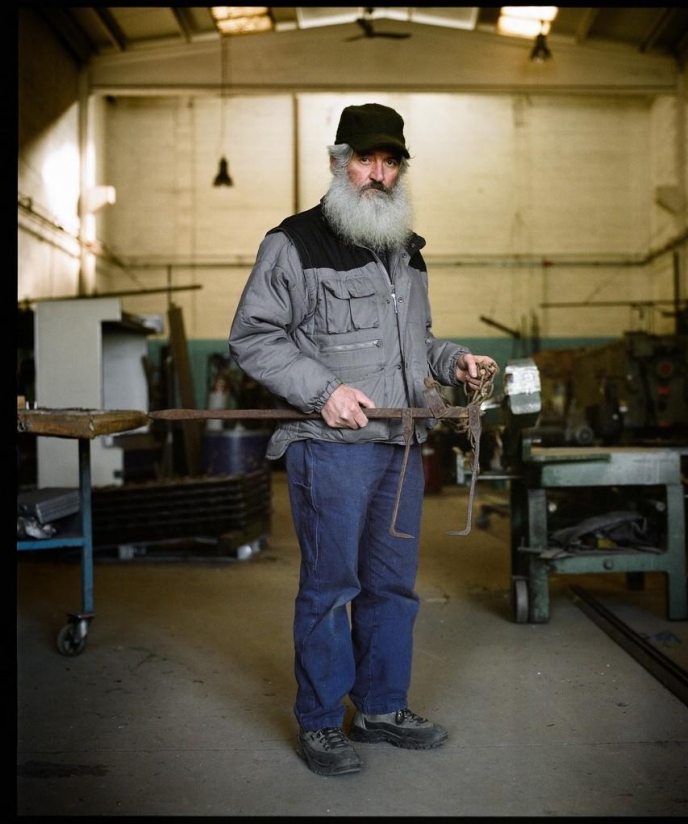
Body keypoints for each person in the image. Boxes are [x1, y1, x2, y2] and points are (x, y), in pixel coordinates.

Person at [228, 102, 498, 777]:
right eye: (365, 159)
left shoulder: (406, 251)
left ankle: (380, 707)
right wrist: (325, 391)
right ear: (339, 163)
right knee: (331, 587)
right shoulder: (293, 243)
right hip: (329, 449)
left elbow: (415, 345)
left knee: (392, 587)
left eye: (390, 162)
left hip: (398, 446)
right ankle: (321, 722)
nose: (378, 173)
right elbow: (253, 337)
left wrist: (453, 362)